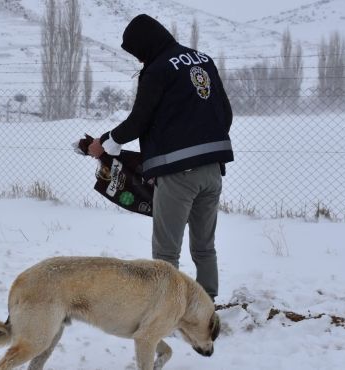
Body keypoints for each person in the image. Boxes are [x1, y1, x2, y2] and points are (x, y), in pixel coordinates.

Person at [87, 14, 233, 300]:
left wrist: (107, 142)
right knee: (204, 246)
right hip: (213, 169)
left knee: (166, 252)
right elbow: (225, 113)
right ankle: (207, 304)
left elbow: (140, 119)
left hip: (178, 175)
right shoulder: (202, 59)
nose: (141, 61)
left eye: (139, 54)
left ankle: (165, 310)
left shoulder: (157, 70)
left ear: (145, 45)